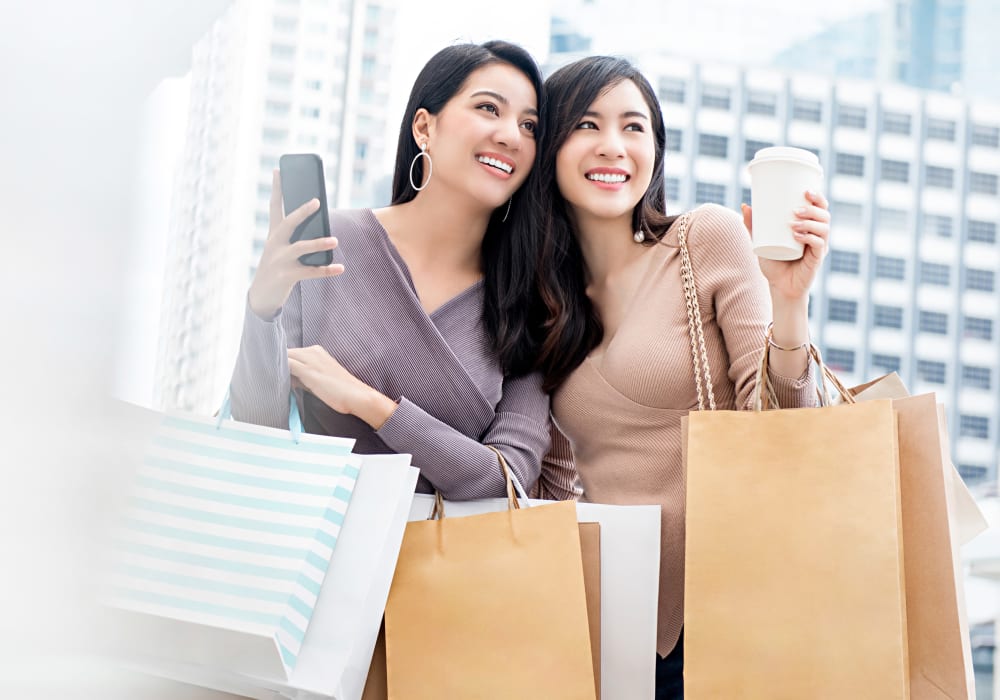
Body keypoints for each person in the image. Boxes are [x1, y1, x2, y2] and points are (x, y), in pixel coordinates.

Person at [531, 56, 830, 698]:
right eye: (587, 124)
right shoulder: (540, 303)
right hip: (607, 622)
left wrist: (790, 304)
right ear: (550, 142)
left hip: (726, 605)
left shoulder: (703, 240)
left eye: (633, 127)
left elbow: (789, 431)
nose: (613, 146)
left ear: (655, 152)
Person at [230, 41, 550, 499]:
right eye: (487, 108)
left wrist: (370, 405)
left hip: (445, 566)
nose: (511, 136)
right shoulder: (332, 243)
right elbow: (257, 430)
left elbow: (507, 480)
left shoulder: (527, 302)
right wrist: (264, 306)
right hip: (312, 548)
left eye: (529, 125)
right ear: (425, 127)